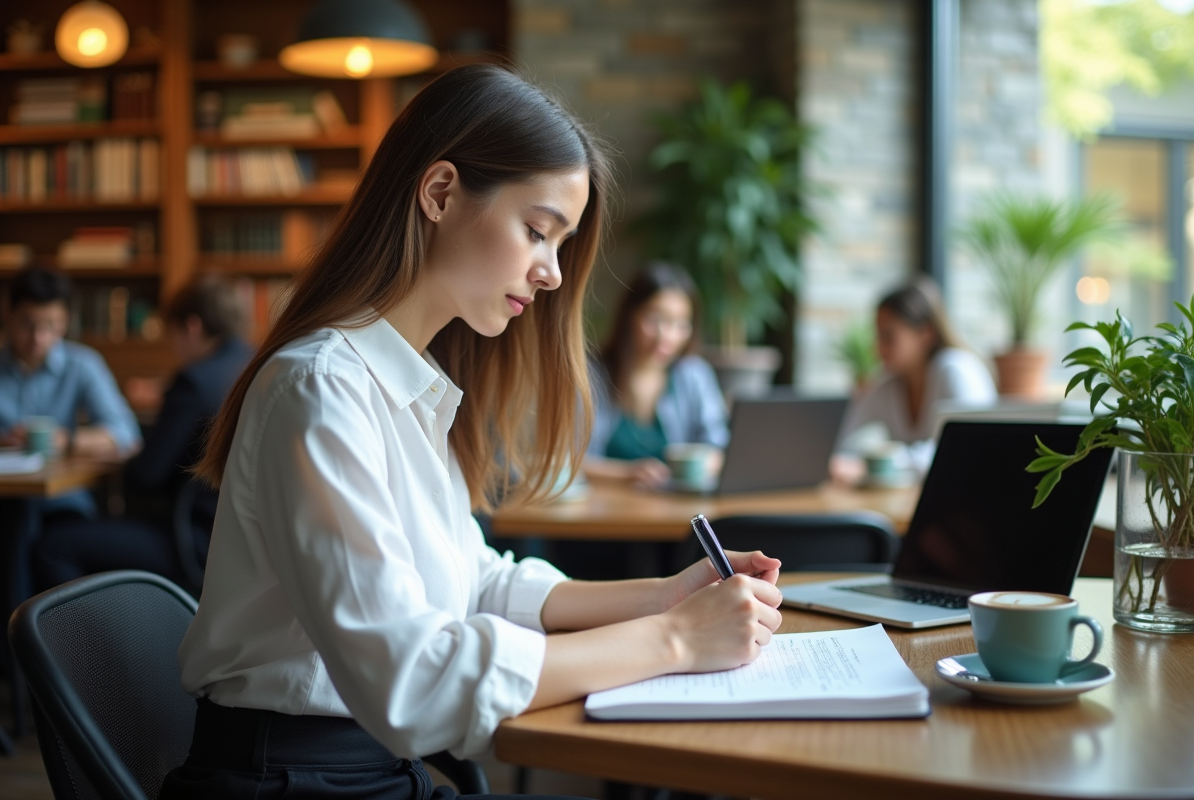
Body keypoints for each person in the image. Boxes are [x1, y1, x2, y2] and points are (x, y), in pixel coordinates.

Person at [160, 66, 783, 800]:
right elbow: (410, 678)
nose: (551, 273)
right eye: (537, 232)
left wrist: (665, 598)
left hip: (363, 767)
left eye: (560, 245)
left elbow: (475, 581)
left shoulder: (408, 386)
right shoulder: (322, 389)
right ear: (440, 193)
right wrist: (675, 641)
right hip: (294, 778)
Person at [32, 275, 253, 592]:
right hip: (241, 538)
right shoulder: (251, 363)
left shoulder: (194, 381)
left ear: (191, 327)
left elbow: (145, 478)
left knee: (55, 545)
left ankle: (90, 641)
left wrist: (127, 457)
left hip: (194, 541)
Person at [0, 267, 141, 607]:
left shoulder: (82, 365)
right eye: (27, 325)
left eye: (50, 326)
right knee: (14, 520)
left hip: (61, 503)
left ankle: (20, 645)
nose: (38, 338)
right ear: (9, 315)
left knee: (19, 527)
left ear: (65, 323)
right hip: (5, 497)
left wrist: (67, 441)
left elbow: (125, 433)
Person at [585, 262, 728, 488]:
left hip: (675, 511)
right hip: (602, 510)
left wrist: (697, 467)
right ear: (629, 315)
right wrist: (627, 474)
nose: (667, 336)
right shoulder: (591, 375)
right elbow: (567, 461)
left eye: (681, 324)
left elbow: (719, 447)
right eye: (655, 319)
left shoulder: (694, 375)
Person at [834, 278, 996, 475]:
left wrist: (878, 464)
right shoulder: (889, 384)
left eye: (889, 337)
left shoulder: (956, 370)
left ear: (925, 334)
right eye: (878, 337)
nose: (879, 349)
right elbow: (841, 439)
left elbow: (964, 452)